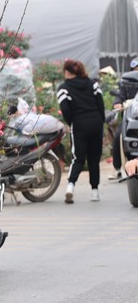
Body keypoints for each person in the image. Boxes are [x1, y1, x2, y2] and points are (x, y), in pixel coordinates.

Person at [57, 59, 106, 203]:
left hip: (79, 124)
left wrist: (72, 122)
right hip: (96, 122)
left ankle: (70, 187)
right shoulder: (93, 84)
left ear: (67, 72)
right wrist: (101, 122)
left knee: (78, 158)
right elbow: (101, 105)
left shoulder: (63, 88)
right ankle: (94, 192)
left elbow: (65, 110)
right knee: (94, 159)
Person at [108, 58, 138, 181]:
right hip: (133, 117)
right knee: (118, 136)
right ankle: (117, 169)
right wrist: (118, 103)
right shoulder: (126, 86)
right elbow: (119, 97)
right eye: (135, 71)